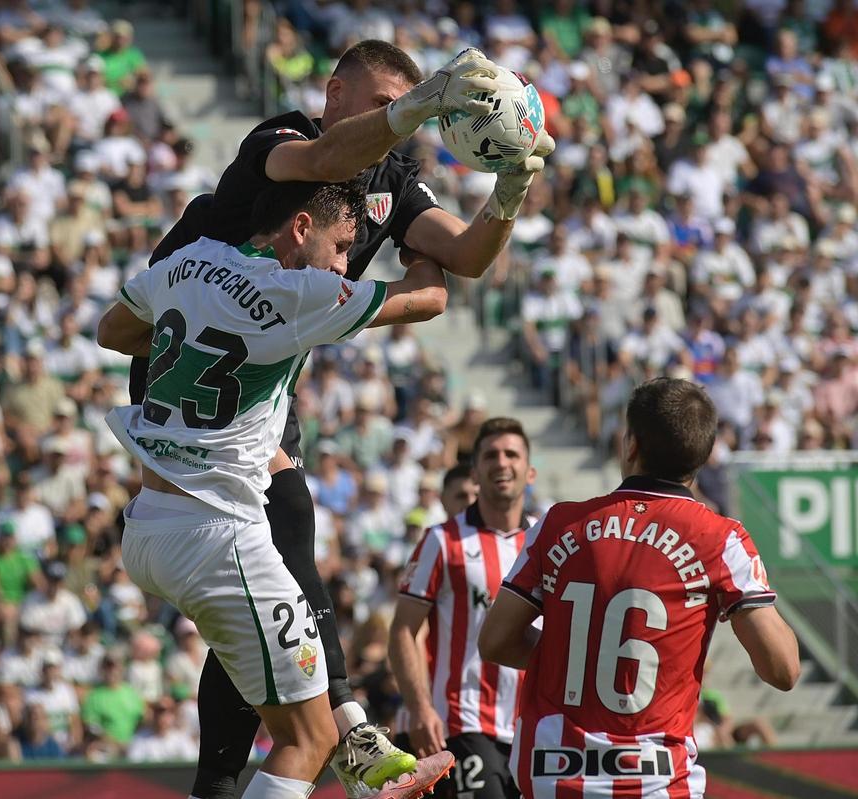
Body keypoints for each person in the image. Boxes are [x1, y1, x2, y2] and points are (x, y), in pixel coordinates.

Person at [128, 38, 554, 799]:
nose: (398, 121)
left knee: (258, 593)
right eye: (381, 104)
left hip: (254, 379)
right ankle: (349, 727)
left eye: (406, 107)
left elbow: (466, 256)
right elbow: (329, 163)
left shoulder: (389, 180)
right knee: (283, 523)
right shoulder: (282, 140)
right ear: (334, 95)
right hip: (193, 364)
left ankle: (231, 777)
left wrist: (512, 188)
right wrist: (419, 108)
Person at [98, 179, 452, 799]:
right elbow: (428, 299)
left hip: (151, 518)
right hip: (218, 537)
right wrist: (419, 247)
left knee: (297, 723)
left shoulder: (189, 260)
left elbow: (113, 330)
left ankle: (364, 762)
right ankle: (361, 757)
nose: (343, 264)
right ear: (300, 227)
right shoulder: (298, 291)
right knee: (308, 741)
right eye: (341, 246)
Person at [479, 379, 801, 798]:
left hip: (553, 775)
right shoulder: (721, 539)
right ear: (702, 456)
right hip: (656, 780)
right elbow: (783, 669)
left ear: (631, 444)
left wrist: (578, 657)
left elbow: (496, 641)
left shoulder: (559, 524)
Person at [389, 418, 538, 799]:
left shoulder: (545, 539)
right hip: (464, 721)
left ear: (530, 471)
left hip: (533, 729)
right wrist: (420, 708)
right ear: (475, 472)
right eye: (490, 455)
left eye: (511, 454)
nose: (501, 463)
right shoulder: (442, 539)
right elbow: (404, 629)